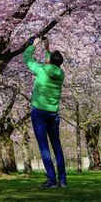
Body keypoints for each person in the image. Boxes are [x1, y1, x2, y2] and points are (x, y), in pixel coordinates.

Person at [23, 35, 67, 188]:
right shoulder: (61, 74)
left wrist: (33, 45)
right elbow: (52, 65)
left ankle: (51, 180)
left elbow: (27, 58)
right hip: (53, 114)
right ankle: (63, 181)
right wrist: (47, 49)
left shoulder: (41, 70)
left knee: (44, 147)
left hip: (39, 113)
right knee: (57, 146)